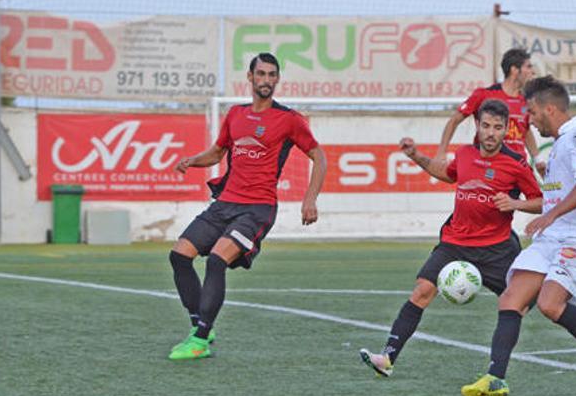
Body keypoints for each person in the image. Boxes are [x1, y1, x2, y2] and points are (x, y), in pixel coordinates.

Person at [461, 75, 576, 396]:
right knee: (510, 299)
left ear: (549, 109)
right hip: (553, 236)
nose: (529, 121)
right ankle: (496, 378)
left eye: (532, 114)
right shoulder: (563, 142)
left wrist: (550, 215)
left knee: (550, 305)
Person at [359, 99, 543, 377]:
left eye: (497, 127)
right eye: (485, 126)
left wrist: (515, 204)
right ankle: (387, 358)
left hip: (496, 248)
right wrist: (416, 156)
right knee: (422, 291)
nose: (491, 133)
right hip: (455, 242)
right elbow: (447, 174)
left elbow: (542, 201)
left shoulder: (516, 163)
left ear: (507, 129)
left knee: (526, 303)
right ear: (477, 126)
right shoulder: (466, 153)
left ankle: (501, 370)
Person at [167, 52, 327, 360]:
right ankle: (201, 324)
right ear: (250, 77)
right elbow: (217, 153)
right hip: (224, 204)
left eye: (272, 75)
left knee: (216, 261)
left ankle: (199, 340)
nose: (267, 80)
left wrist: (310, 198)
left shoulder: (289, 119)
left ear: (277, 80)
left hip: (257, 209)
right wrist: (193, 161)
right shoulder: (235, 115)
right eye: (261, 74)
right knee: (179, 256)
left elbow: (319, 156)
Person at [435, 48, 544, 174]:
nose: (532, 71)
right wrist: (441, 152)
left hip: (516, 167)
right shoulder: (485, 94)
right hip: (488, 166)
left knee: (533, 193)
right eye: (528, 67)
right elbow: (454, 121)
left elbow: (524, 130)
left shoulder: (526, 100)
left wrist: (537, 159)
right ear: (514, 70)